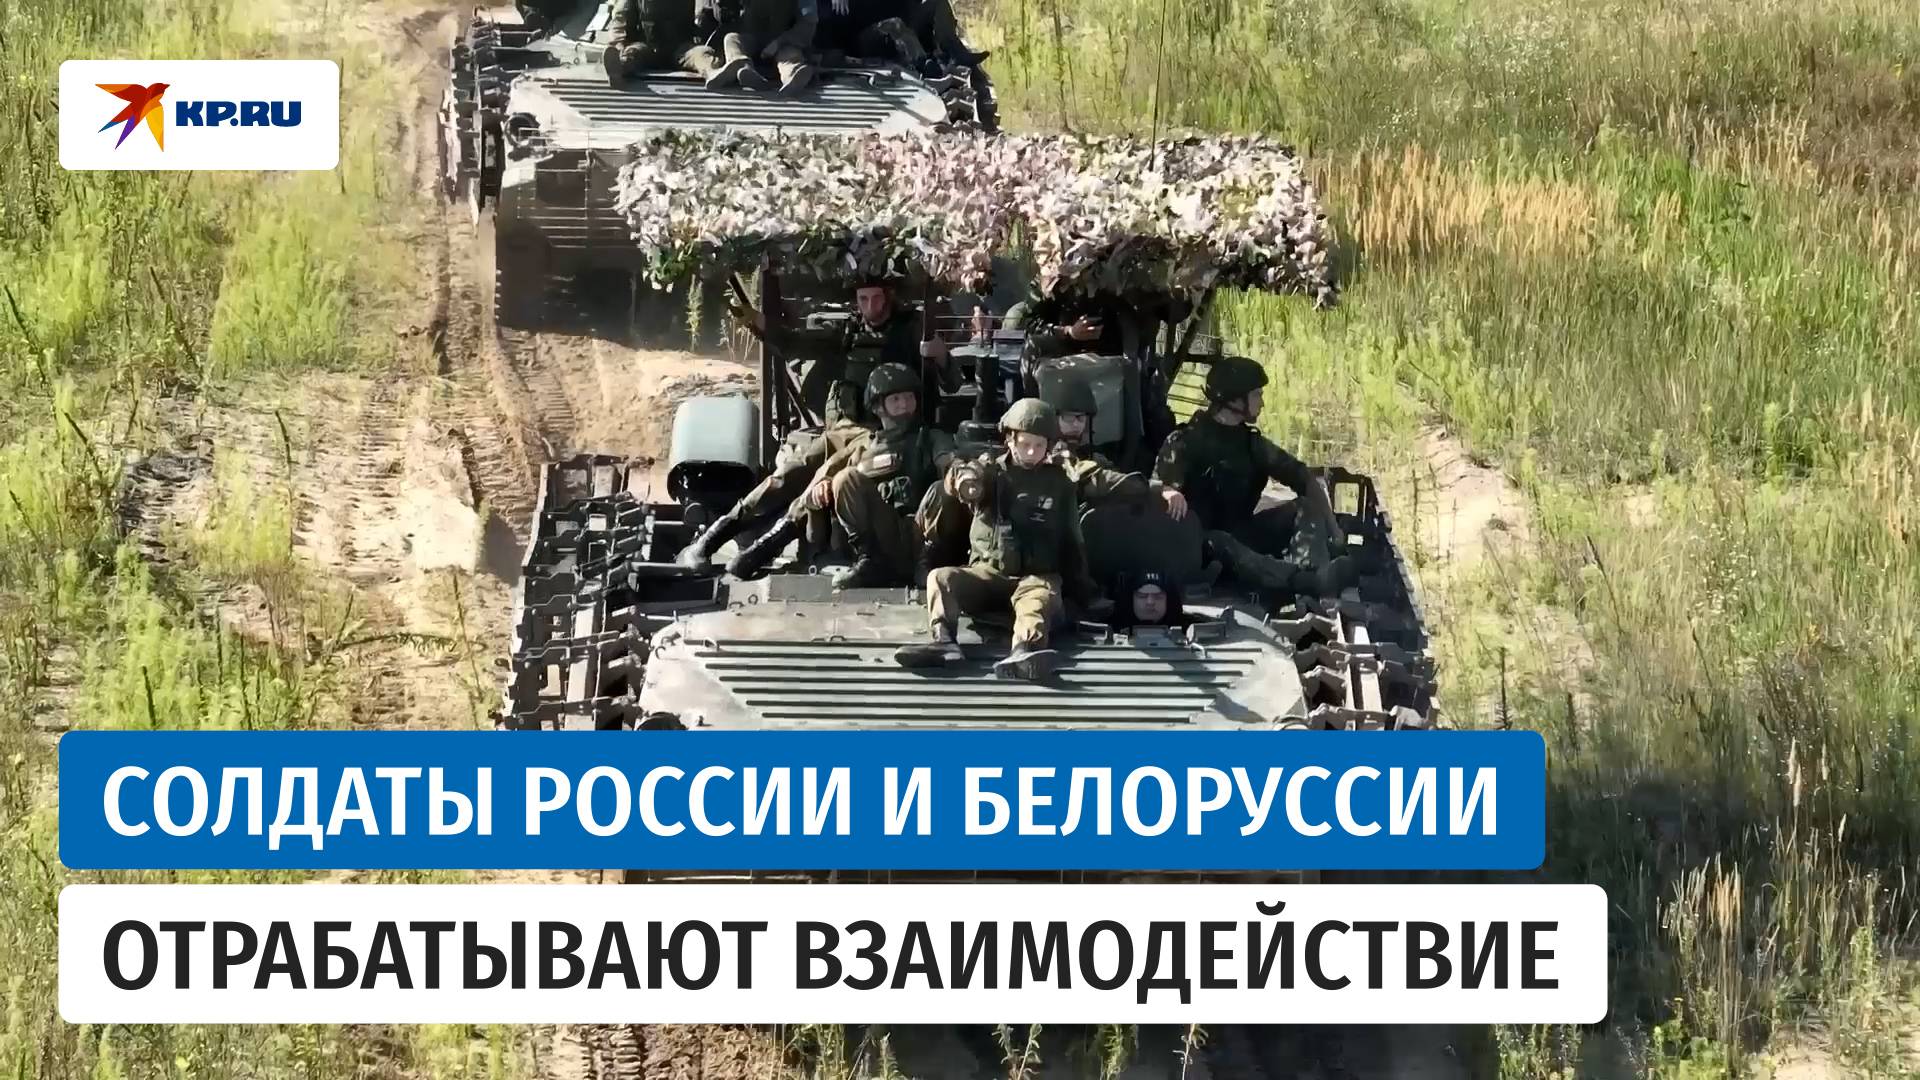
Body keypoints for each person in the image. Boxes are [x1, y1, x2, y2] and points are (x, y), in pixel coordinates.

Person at [893, 398, 1093, 681]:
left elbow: (1074, 539)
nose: (1031, 452)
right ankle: (944, 642)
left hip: (1035, 577)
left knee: (1037, 601)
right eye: (1025, 444)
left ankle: (1025, 651)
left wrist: (1083, 591)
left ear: (1049, 445)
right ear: (1010, 440)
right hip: (988, 574)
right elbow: (959, 479)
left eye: (1039, 445)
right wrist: (965, 479)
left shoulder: (1060, 483)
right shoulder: (990, 472)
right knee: (940, 578)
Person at [1151, 355, 1358, 598]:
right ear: (1235, 400)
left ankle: (1315, 575)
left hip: (1242, 537)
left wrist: (1335, 532)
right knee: (1220, 539)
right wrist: (1168, 492)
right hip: (1201, 549)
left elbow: (1303, 478)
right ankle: (1301, 580)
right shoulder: (1184, 442)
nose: (1262, 403)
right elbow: (1156, 489)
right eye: (1257, 395)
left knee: (1305, 506)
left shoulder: (1252, 445)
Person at [801, 363, 956, 588]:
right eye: (896, 399)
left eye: (909, 398)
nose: (904, 405)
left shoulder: (931, 438)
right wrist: (819, 493)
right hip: (882, 536)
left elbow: (948, 460)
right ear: (877, 406)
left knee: (943, 488)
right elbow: (835, 488)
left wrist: (953, 467)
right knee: (845, 478)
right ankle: (868, 561)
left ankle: (926, 564)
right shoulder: (863, 448)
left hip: (921, 534)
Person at [734, 275, 956, 430]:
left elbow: (953, 384)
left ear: (888, 297)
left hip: (908, 432)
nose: (870, 306)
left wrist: (941, 356)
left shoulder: (913, 331)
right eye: (863, 299)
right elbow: (797, 342)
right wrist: (759, 322)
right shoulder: (847, 332)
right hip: (854, 431)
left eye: (877, 298)